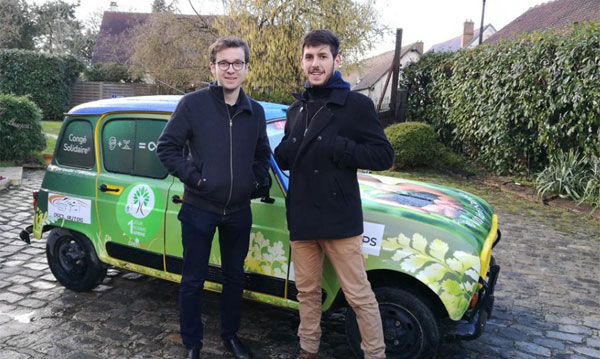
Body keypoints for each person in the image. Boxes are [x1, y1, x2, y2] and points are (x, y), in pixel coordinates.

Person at [274, 29, 393, 359]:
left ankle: (375, 354)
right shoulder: (295, 110)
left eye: (322, 56)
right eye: (309, 57)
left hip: (340, 217)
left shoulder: (356, 105)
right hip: (302, 216)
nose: (315, 63)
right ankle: (308, 350)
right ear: (302, 62)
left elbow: (384, 156)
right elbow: (288, 155)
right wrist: (283, 149)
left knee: (358, 294)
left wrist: (342, 148)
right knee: (307, 292)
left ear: (336, 60)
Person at [157, 36, 270, 359]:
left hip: (238, 211)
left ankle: (230, 335)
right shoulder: (193, 105)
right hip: (199, 209)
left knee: (235, 278)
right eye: (224, 63)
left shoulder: (256, 111)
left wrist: (254, 181)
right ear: (213, 67)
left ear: (246, 68)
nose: (231, 69)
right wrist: (195, 177)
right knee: (193, 280)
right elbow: (167, 148)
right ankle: (192, 344)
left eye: (237, 63)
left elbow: (263, 155)